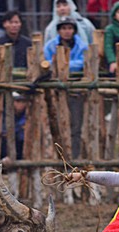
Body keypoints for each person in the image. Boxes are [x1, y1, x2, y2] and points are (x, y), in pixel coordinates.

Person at [44, 16, 89, 158]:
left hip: (75, 89)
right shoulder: (50, 45)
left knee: (75, 126)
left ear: (74, 30)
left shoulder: (82, 46)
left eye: (69, 28)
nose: (67, 31)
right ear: (58, 30)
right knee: (54, 125)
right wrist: (66, 65)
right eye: (64, 28)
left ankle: (74, 158)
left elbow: (83, 62)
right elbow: (47, 62)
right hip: (54, 90)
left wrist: (62, 63)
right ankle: (57, 157)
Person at [0, 91, 27, 162]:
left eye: (23, 101)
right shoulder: (3, 114)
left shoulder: (27, 115)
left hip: (21, 145)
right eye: (17, 101)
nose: (20, 104)